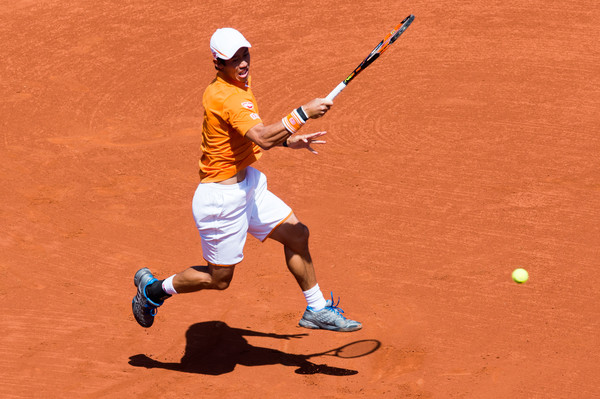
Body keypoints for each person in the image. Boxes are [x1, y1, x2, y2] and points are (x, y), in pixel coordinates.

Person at [132, 27, 361, 332]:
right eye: (234, 59)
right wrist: (303, 112)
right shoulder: (226, 96)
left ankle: (316, 309)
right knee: (218, 279)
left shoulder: (240, 85)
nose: (242, 63)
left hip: (248, 186)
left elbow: (248, 135)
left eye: (245, 55)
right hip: (221, 201)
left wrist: (288, 141)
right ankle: (153, 291)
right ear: (218, 63)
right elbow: (262, 138)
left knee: (297, 234)